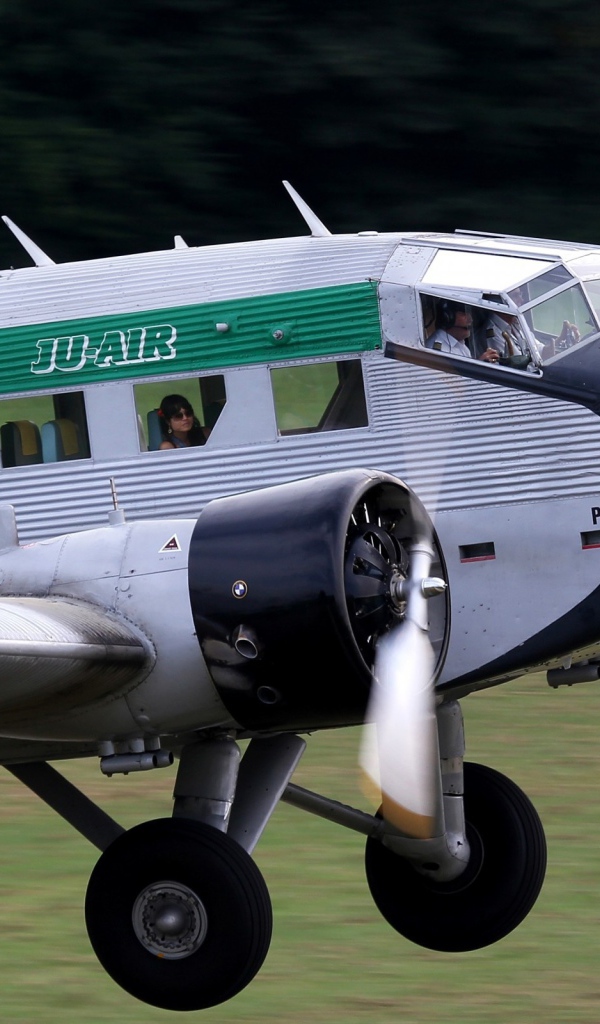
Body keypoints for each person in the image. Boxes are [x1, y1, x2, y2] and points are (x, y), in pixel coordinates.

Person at [426, 302, 499, 362]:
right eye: (464, 314)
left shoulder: (460, 344)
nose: (470, 319)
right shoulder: (437, 350)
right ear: (447, 317)